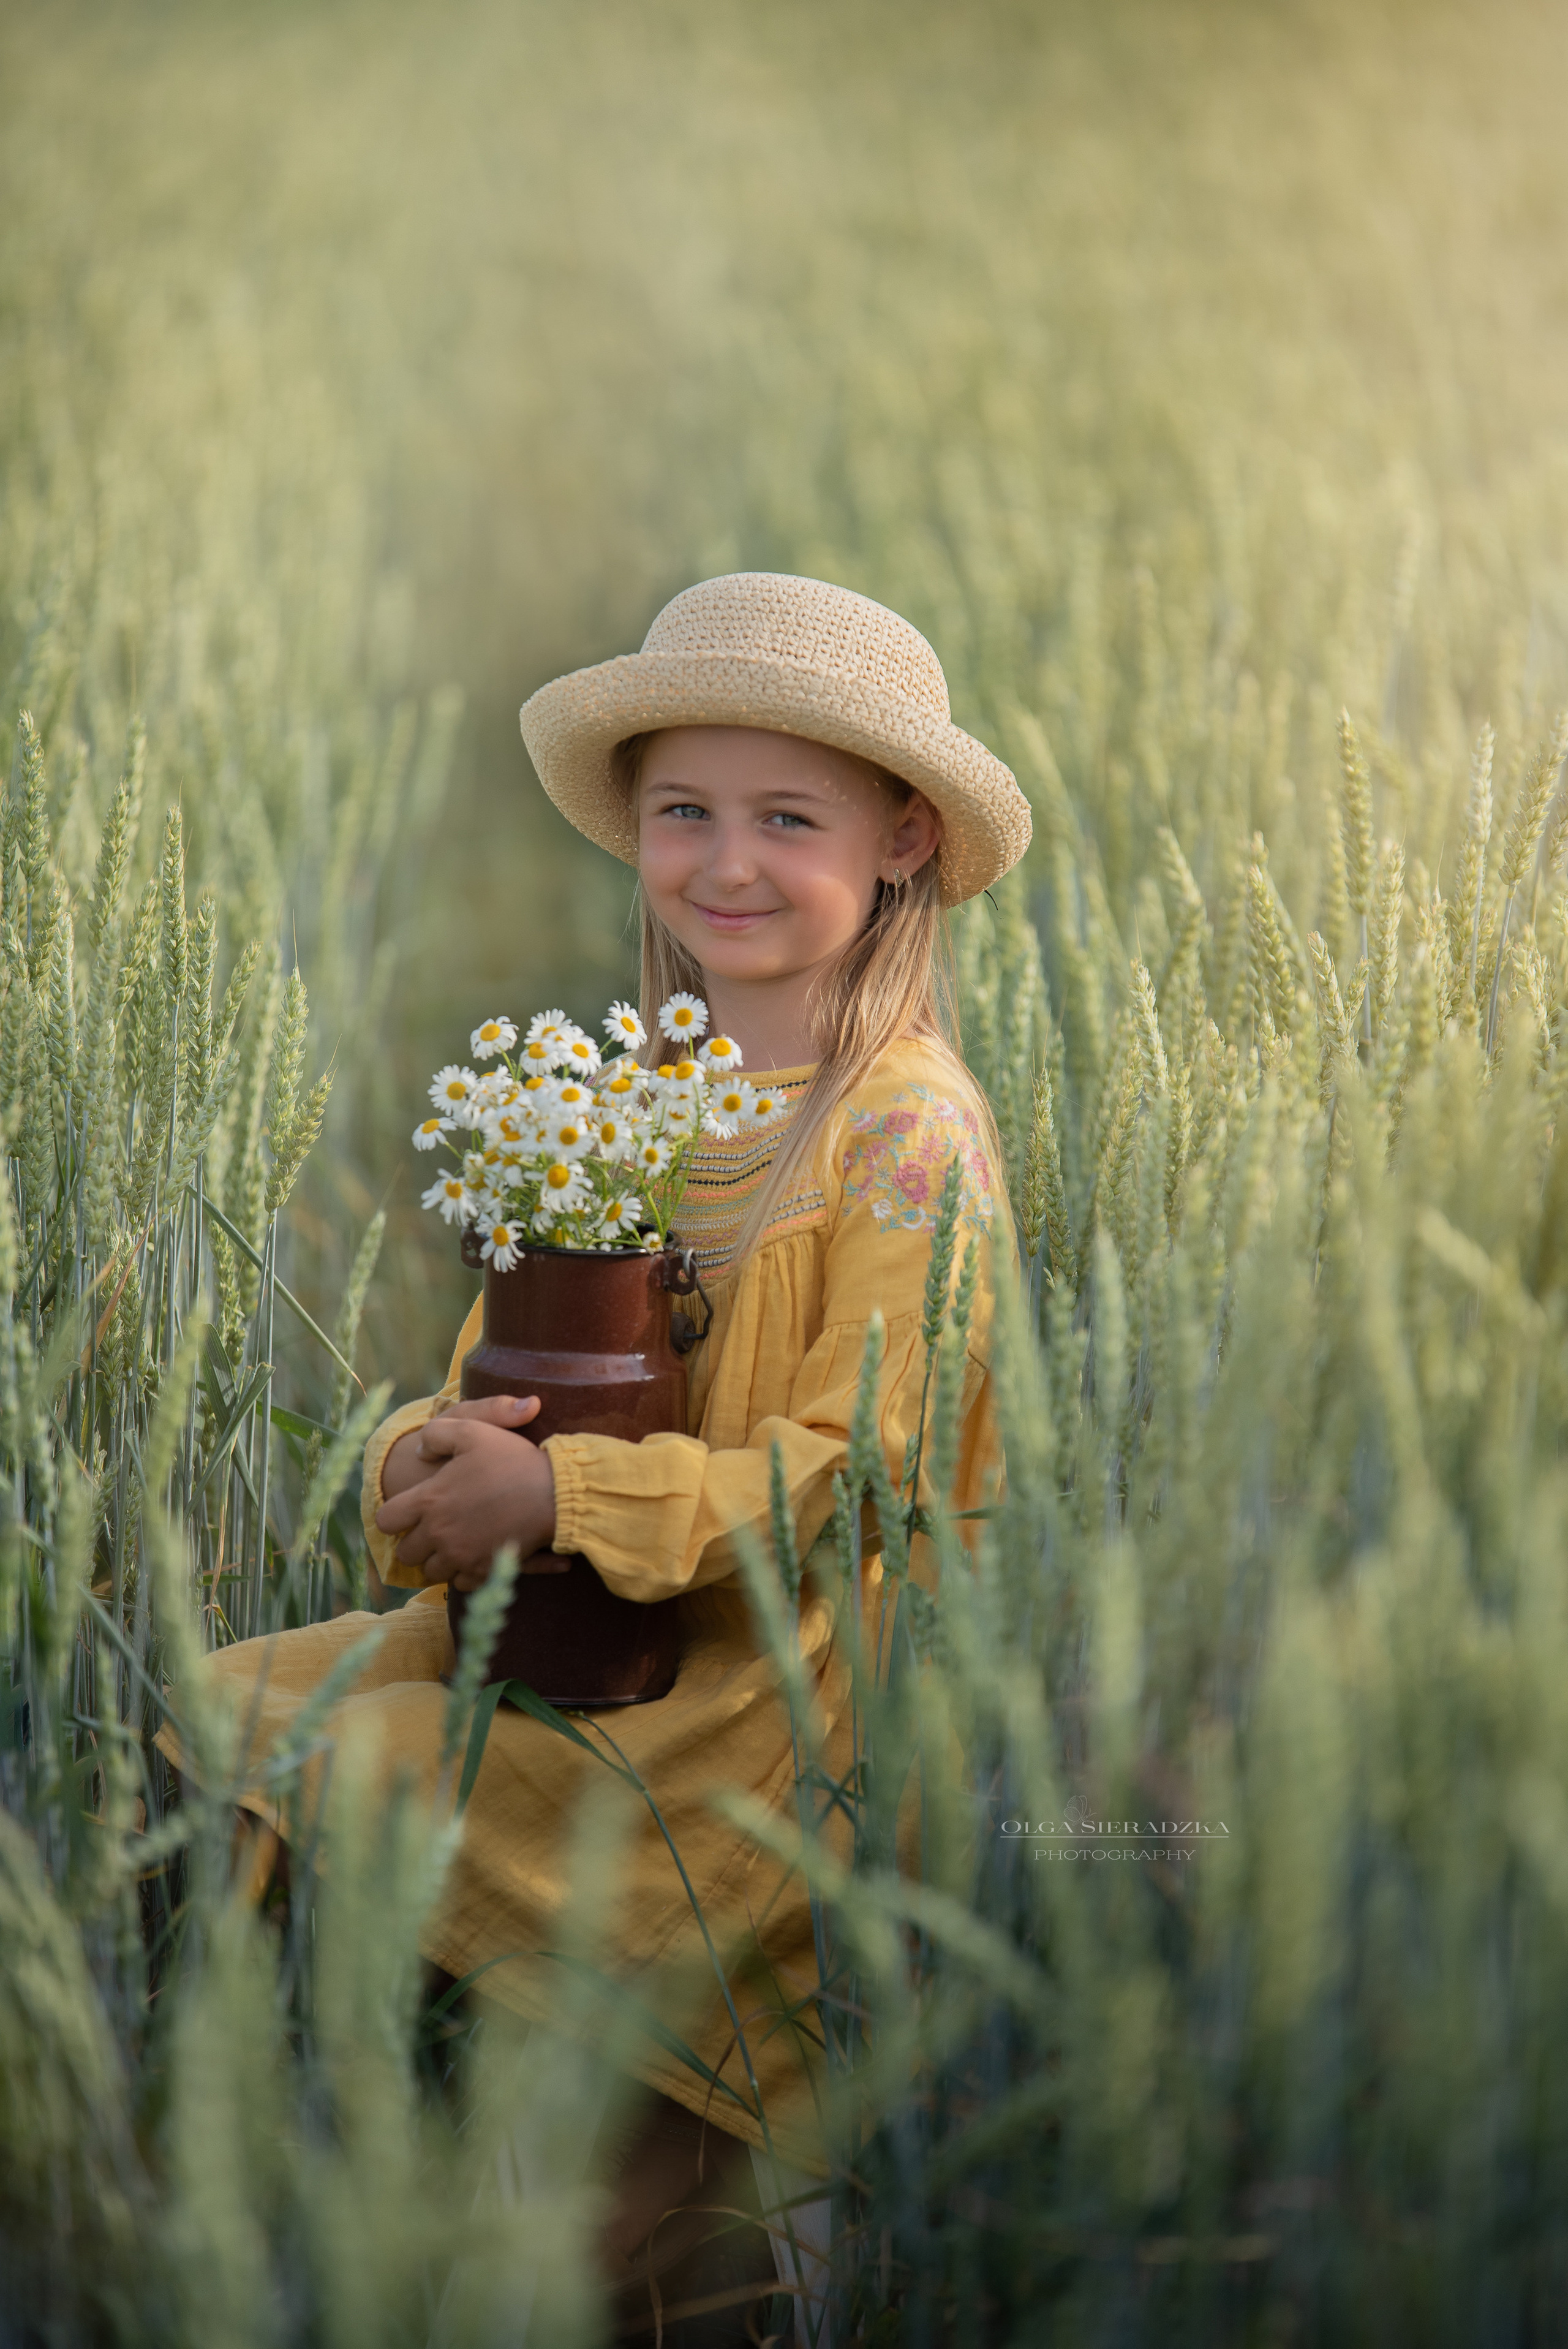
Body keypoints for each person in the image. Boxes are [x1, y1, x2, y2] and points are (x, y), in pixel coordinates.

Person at [163, 572, 1031, 2331]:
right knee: (234, 1713)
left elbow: (857, 1463)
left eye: (788, 817)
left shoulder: (905, 1135)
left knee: (630, 2218)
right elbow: (518, 1355)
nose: (726, 859)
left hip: (783, 1707)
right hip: (586, 1629)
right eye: (682, 812)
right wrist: (440, 1446)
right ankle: (263, 2176)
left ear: (905, 838)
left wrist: (561, 1491)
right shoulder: (624, 1085)